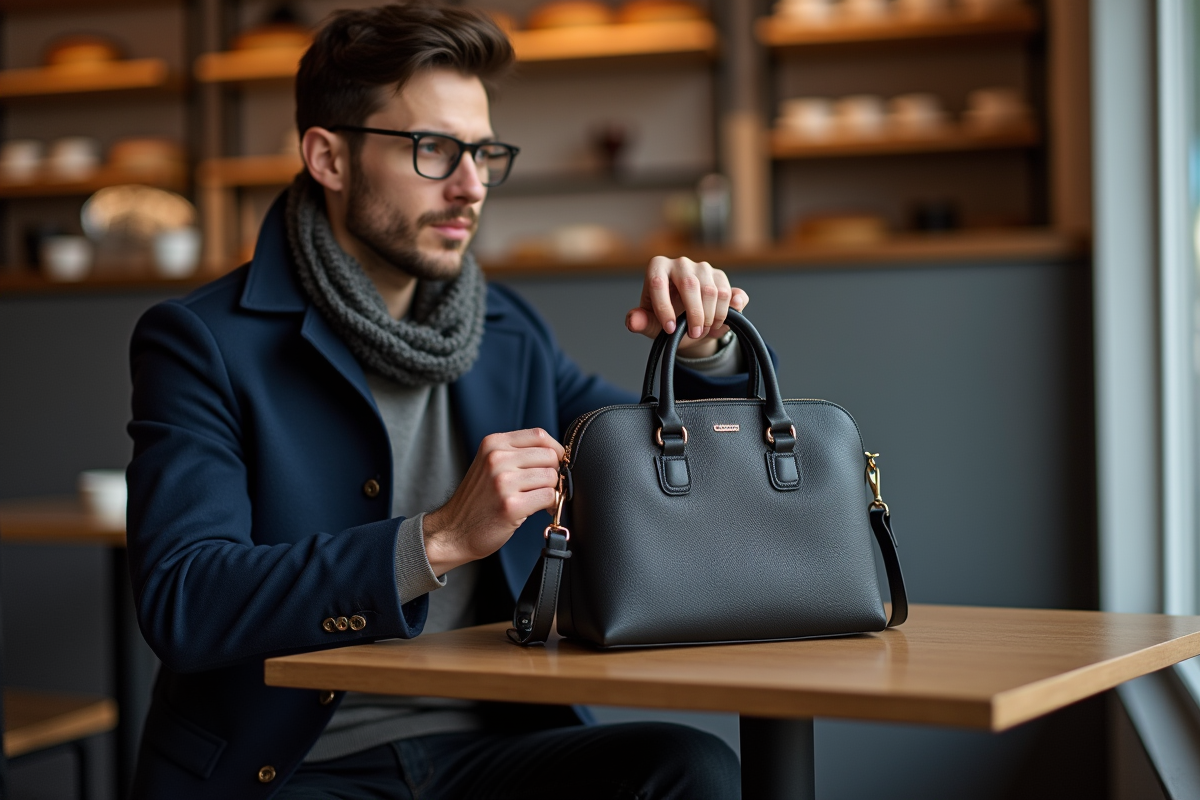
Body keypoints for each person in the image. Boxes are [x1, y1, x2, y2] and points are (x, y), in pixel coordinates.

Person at [126, 4, 754, 798]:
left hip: (491, 746)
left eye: (485, 153)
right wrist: (438, 539)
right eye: (433, 150)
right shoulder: (202, 340)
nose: (471, 186)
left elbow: (650, 466)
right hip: (293, 768)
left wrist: (702, 347)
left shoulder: (505, 327)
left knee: (692, 770)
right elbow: (185, 599)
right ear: (328, 157)